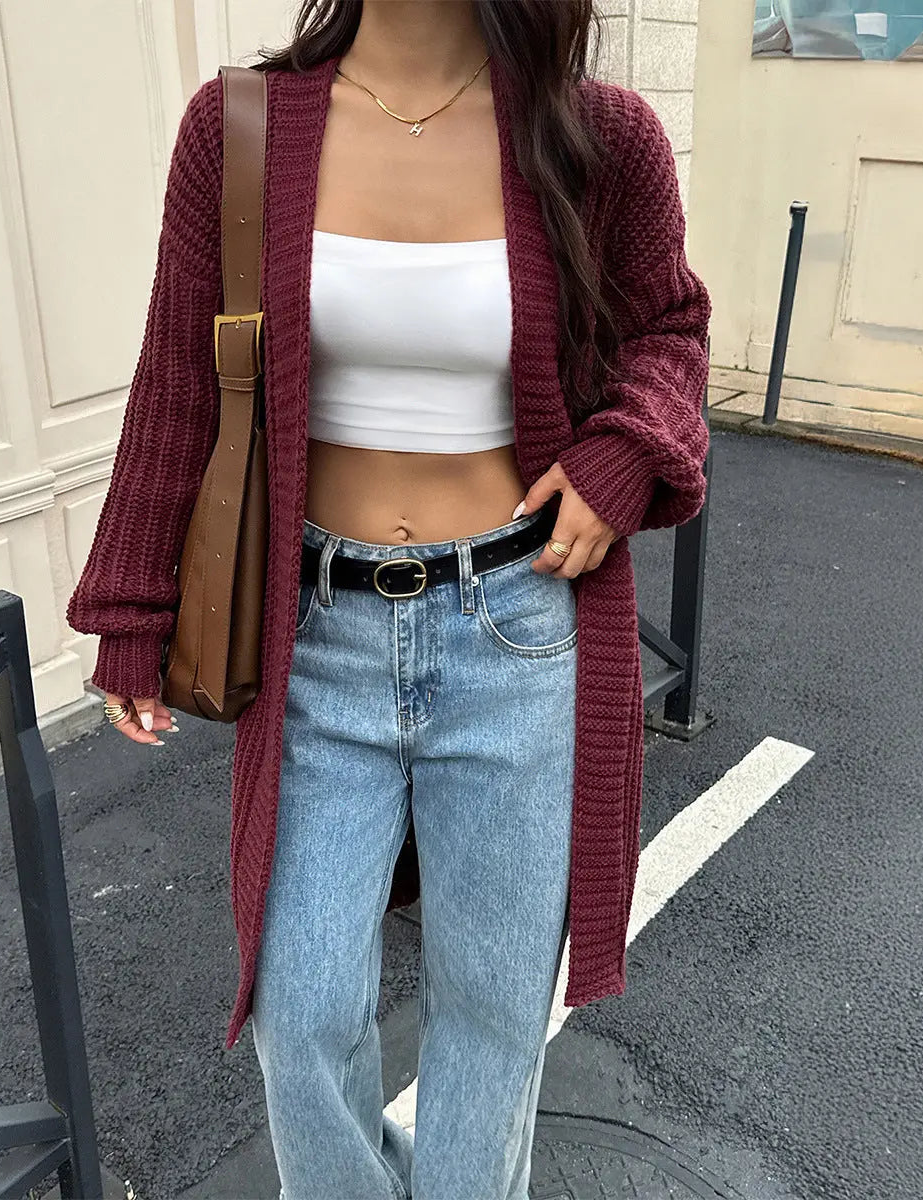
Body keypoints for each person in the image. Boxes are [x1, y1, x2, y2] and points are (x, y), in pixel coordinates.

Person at [66, 2, 712, 1197]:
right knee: (301, 1009)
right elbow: (179, 376)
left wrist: (625, 454)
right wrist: (131, 608)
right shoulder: (239, 129)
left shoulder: (598, 135)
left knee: (496, 1010)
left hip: (518, 628)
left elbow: (669, 330)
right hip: (318, 638)